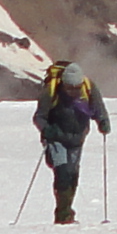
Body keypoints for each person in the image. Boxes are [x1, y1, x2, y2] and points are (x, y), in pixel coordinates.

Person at [30, 59, 107, 224]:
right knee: (63, 172)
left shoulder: (89, 87)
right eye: (69, 88)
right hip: (56, 138)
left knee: (72, 174)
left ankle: (66, 210)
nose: (73, 91)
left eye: (76, 88)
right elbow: (39, 117)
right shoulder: (51, 90)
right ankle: (63, 214)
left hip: (78, 138)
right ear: (63, 84)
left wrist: (103, 121)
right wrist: (47, 130)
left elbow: (98, 108)